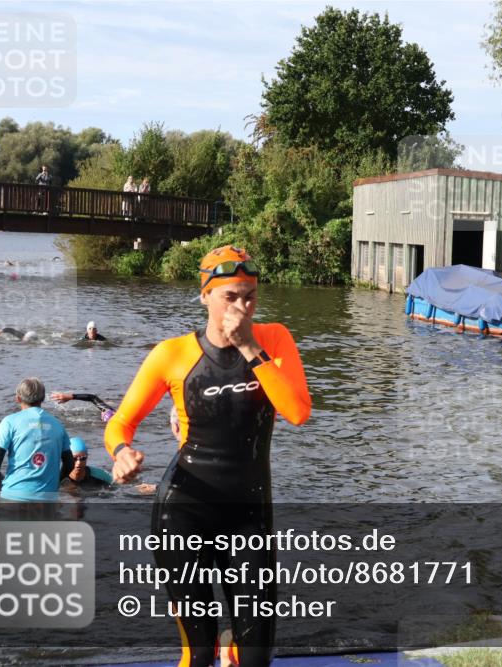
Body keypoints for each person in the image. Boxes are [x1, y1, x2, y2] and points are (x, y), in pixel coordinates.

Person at [105, 245, 311, 667]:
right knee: (198, 652)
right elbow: (120, 423)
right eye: (231, 296)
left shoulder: (273, 338)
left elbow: (297, 411)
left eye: (250, 295)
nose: (242, 306)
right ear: (205, 296)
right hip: (183, 512)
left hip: (248, 513)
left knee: (257, 656)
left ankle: (235, 645)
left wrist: (250, 348)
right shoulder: (172, 354)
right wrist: (122, 453)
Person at [0, 378, 73, 502]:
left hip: (13, 495)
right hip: (47, 498)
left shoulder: (9, 422)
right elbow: (69, 463)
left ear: (18, 398)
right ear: (43, 398)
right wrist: (56, 482)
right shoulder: (57, 424)